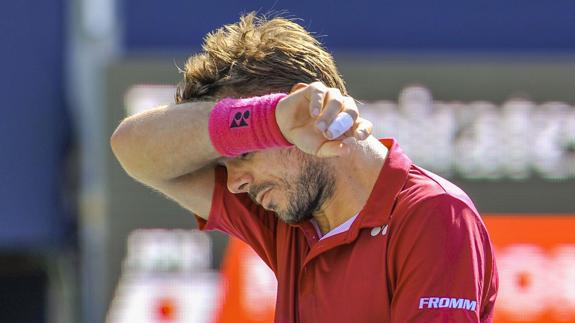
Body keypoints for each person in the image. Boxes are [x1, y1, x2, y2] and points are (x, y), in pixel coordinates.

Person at [110, 13, 498, 322]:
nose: (235, 184)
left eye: (242, 154)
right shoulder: (284, 209)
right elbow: (130, 147)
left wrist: (281, 122)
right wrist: (271, 121)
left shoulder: (435, 214)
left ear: (307, 113)